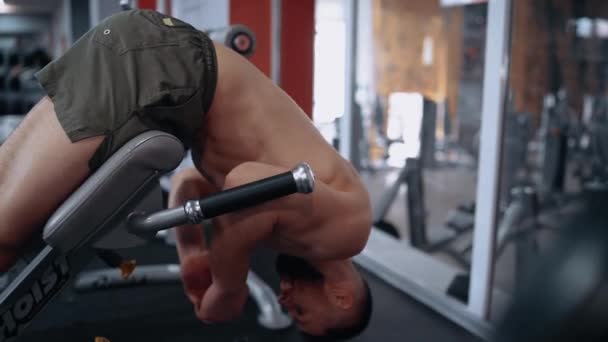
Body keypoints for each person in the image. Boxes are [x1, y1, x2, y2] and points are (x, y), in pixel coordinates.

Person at [0, 9, 373, 339]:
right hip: (170, 69)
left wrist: (192, 251)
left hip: (154, 53)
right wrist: (229, 286)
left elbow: (188, 182)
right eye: (301, 312)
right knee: (5, 239)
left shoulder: (309, 228)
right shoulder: (348, 232)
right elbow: (248, 184)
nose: (283, 299)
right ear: (341, 298)